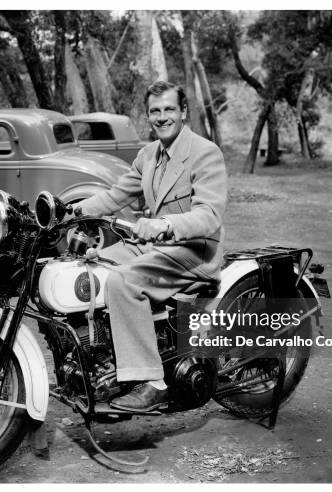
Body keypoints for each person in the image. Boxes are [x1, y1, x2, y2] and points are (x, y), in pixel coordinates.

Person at [77, 80, 227, 412]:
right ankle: (107, 363)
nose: (161, 117)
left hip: (192, 252)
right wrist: (70, 210)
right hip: (155, 247)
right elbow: (115, 196)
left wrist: (164, 225)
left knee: (124, 282)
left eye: (169, 109)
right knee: (89, 267)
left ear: (184, 112)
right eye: (155, 111)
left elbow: (210, 215)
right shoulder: (148, 155)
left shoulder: (204, 153)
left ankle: (152, 382)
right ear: (148, 116)